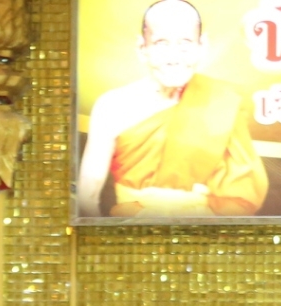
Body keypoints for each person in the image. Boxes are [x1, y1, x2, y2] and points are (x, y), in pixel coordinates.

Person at [75, 0, 267, 218]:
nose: (173, 58)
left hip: (202, 229)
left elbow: (240, 196)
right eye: (161, 43)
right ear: (142, 48)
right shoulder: (112, 106)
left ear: (202, 46)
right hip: (132, 228)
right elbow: (87, 194)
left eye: (185, 43)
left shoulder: (222, 102)